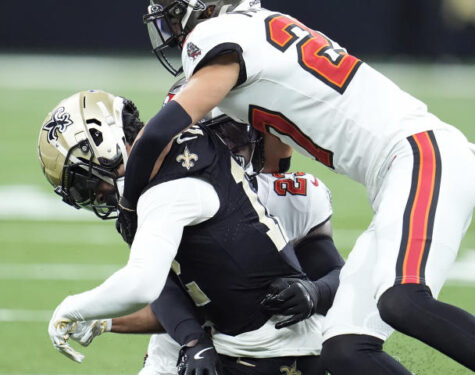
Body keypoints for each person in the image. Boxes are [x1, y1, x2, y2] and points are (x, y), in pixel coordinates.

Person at [130, 1, 475, 374]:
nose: (171, 31)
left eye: (171, 14)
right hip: (399, 172)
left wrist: (131, 207)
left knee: (404, 301)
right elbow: (279, 153)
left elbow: (157, 135)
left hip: (416, 156)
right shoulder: (260, 28)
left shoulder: (216, 36)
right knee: (347, 349)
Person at [39, 89, 344, 374]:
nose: (229, 146)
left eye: (234, 133)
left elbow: (143, 284)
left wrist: (73, 308)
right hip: (222, 332)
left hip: (275, 345)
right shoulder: (156, 185)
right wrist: (192, 341)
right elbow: (168, 287)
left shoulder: (171, 189)